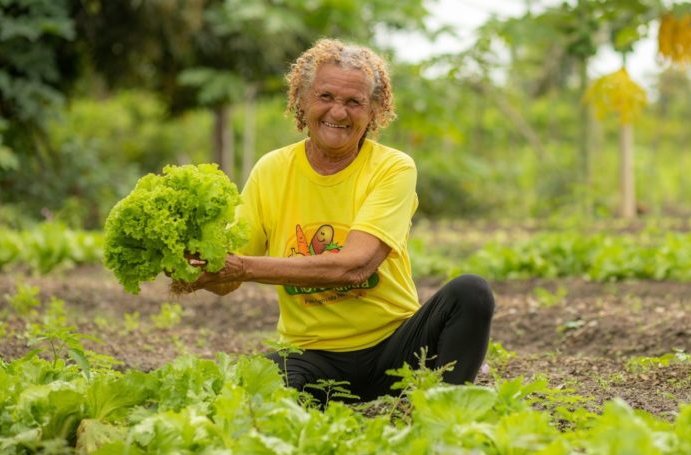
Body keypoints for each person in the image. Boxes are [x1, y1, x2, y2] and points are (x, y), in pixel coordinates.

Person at [189, 38, 495, 402]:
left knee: (471, 292)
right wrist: (196, 266)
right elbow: (227, 278)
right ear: (302, 101)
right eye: (326, 97)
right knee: (256, 393)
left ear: (374, 112)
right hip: (312, 356)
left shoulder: (392, 168)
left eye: (354, 102)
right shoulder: (271, 170)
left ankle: (449, 409)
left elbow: (356, 266)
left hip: (397, 351)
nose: (338, 112)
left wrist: (242, 268)